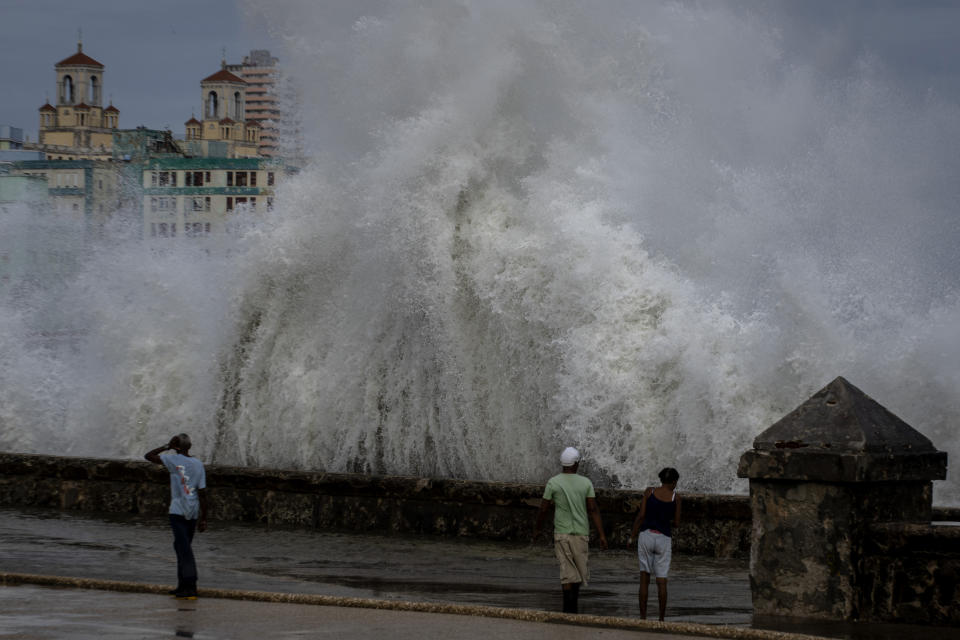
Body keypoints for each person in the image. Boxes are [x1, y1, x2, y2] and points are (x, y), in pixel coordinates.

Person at [533, 446, 608, 614]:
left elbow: (543, 509)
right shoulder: (586, 483)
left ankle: (568, 611)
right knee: (578, 575)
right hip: (581, 534)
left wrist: (537, 529)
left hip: (561, 533)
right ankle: (573, 610)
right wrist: (602, 535)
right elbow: (593, 509)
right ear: (576, 464)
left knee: (567, 573)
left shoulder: (553, 482)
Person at [145, 433, 208, 600]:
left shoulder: (173, 461)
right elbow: (203, 493)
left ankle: (191, 587)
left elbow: (149, 456)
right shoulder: (198, 464)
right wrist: (204, 518)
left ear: (176, 446)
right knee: (181, 547)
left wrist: (167, 446)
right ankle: (182, 586)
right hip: (193, 512)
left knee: (184, 550)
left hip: (178, 511)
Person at [629, 467, 681, 621]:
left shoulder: (649, 492)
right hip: (663, 538)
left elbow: (641, 516)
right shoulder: (676, 498)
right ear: (673, 482)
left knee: (644, 578)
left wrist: (632, 536)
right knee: (661, 580)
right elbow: (677, 523)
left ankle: (643, 617)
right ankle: (661, 619)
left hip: (646, 535)